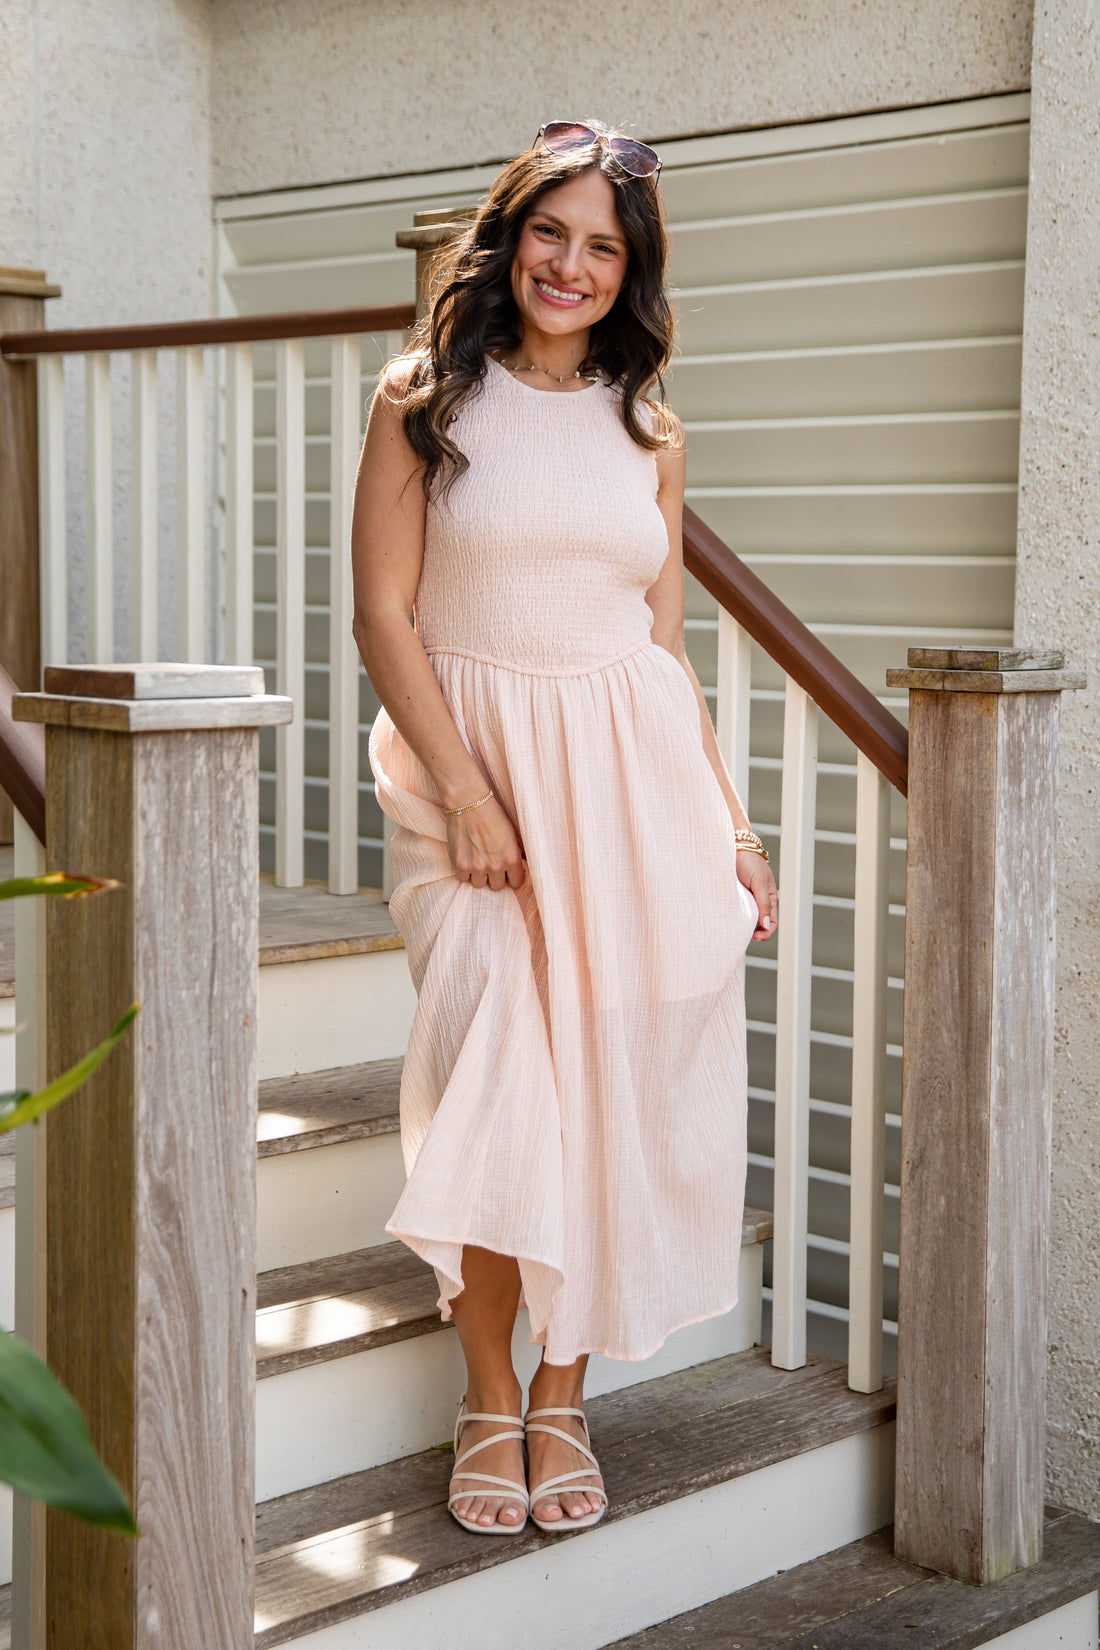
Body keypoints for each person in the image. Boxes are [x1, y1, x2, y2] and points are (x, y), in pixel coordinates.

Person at [351, 119, 779, 1540]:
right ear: (510, 235)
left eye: (603, 246)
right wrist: (468, 792)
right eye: (552, 232)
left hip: (632, 797)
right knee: (497, 1075)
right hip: (469, 789)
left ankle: (562, 1390)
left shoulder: (649, 428)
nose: (571, 265)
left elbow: (663, 650)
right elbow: (384, 616)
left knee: (604, 1091)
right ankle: (488, 1391)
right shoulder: (424, 399)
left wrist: (732, 826)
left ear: (630, 271)